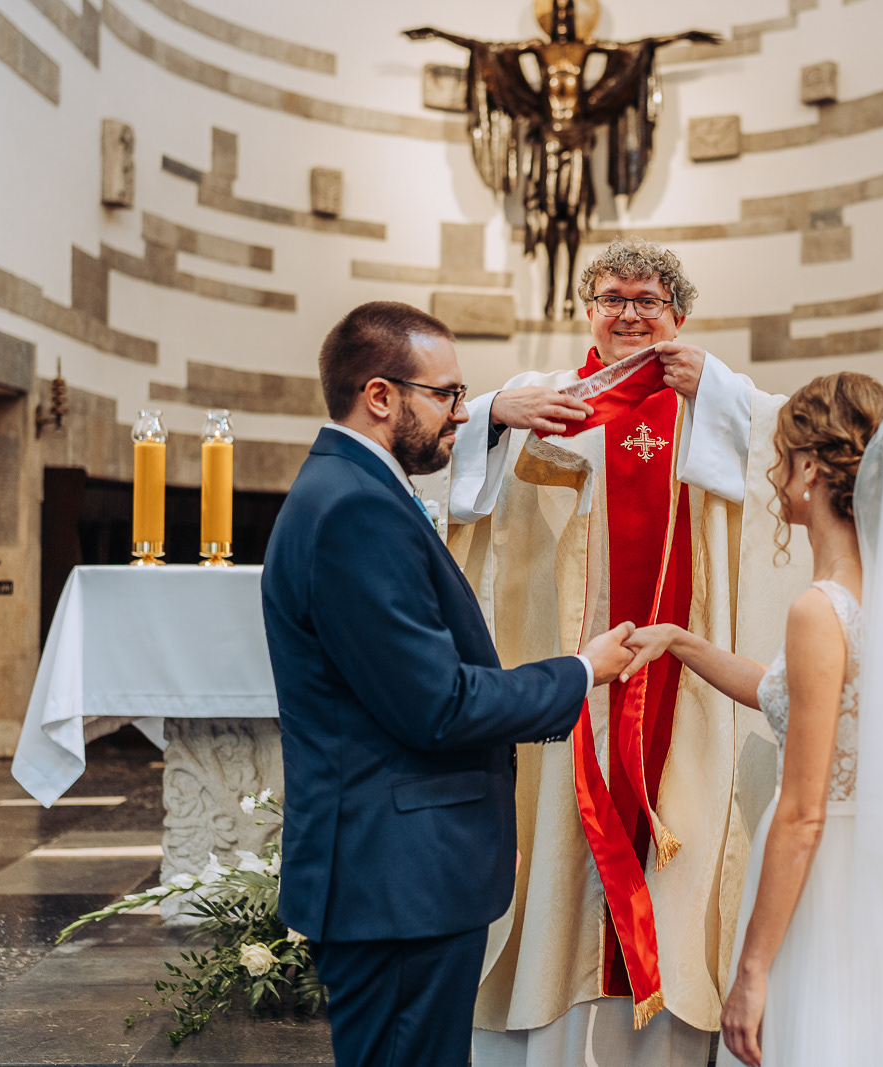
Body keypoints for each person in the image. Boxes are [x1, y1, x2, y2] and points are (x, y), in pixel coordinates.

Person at [447, 237, 811, 1066]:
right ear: (588, 311)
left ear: (678, 316)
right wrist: (496, 414)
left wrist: (719, 390)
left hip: (686, 684)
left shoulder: (714, 401)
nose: (630, 314)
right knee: (559, 851)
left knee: (681, 836)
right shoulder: (548, 400)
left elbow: (804, 441)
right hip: (567, 678)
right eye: (613, 298)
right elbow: (445, 469)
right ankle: (554, 1012)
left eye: (649, 301)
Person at [261, 301, 637, 1067]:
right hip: (398, 878)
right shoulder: (354, 508)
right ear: (379, 395)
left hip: (398, 872)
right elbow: (437, 704)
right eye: (447, 394)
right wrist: (581, 671)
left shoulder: (349, 486)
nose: (462, 415)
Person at [618, 373, 883, 1067]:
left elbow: (802, 812)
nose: (774, 473)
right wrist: (679, 640)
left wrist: (752, 969)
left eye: (782, 456)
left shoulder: (820, 610)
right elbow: (784, 693)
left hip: (826, 883)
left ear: (812, 468)